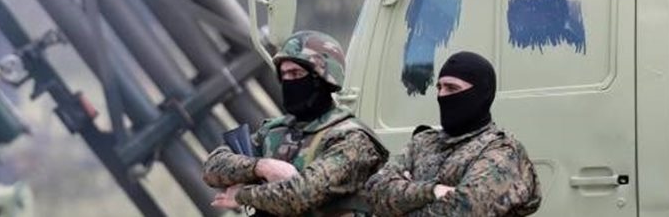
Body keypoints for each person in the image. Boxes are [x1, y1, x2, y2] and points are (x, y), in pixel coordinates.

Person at [203, 30, 386, 216]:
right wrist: (262, 167)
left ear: (323, 79)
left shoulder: (352, 139)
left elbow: (301, 195)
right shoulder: (273, 131)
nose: (289, 82)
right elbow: (213, 165)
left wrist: (242, 195)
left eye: (296, 73)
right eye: (284, 75)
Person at [364, 51, 540, 216]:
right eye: (439, 87)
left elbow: (464, 210)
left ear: (481, 94)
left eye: (452, 88)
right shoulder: (422, 142)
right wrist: (432, 191)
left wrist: (400, 202)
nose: (442, 95)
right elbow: (374, 191)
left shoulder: (502, 151)